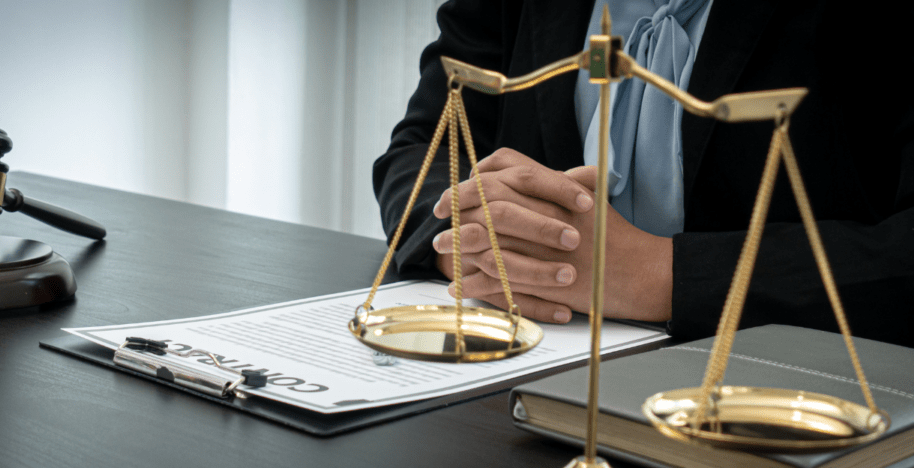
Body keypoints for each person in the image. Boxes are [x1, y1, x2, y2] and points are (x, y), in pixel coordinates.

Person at [372, 0, 914, 347]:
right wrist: (469, 240)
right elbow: (420, 146)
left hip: (771, 387)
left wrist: (658, 275)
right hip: (523, 374)